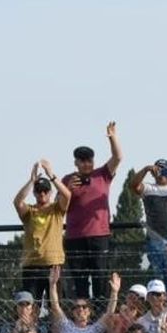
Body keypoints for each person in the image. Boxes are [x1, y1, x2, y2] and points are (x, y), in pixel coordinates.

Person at [63, 123, 124, 302]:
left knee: (100, 278)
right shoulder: (67, 179)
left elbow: (118, 157)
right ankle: (81, 317)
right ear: (76, 162)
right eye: (82, 160)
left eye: (89, 160)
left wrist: (112, 137)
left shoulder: (102, 174)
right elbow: (60, 207)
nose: (86, 164)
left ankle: (100, 315)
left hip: (99, 235)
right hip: (75, 237)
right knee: (79, 280)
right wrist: (68, 190)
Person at [128, 158, 167, 298]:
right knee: (158, 277)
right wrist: (146, 169)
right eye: (157, 170)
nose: (161, 174)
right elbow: (133, 185)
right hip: (154, 239)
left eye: (164, 171)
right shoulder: (148, 188)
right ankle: (161, 307)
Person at [14, 160, 72, 308]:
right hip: (31, 265)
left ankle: (55, 332)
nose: (42, 194)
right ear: (34, 193)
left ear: (50, 193)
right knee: (30, 307)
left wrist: (51, 175)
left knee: (56, 306)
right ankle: (31, 332)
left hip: (54, 264)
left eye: (45, 190)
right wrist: (31, 181)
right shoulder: (30, 211)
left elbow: (67, 195)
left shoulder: (57, 209)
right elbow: (17, 202)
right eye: (39, 191)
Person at [47, 266, 113, 333]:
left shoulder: (94, 330)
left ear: (89, 311)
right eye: (76, 307)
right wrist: (52, 284)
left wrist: (115, 292)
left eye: (84, 307)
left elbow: (109, 313)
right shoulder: (66, 326)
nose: (80, 309)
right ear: (72, 312)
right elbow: (55, 306)